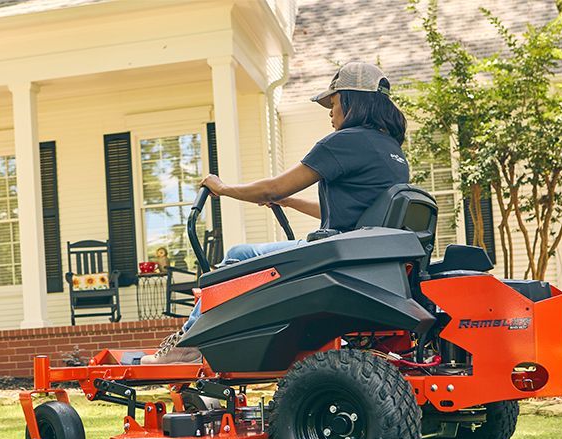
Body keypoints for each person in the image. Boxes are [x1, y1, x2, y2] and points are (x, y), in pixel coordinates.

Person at [141, 61, 410, 364]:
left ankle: (190, 344)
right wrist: (291, 202)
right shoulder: (392, 152)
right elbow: (357, 215)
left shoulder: (346, 141)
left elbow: (273, 188)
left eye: (333, 103)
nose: (330, 113)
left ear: (351, 101)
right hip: (358, 257)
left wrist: (223, 188)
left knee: (239, 256)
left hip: (336, 257)